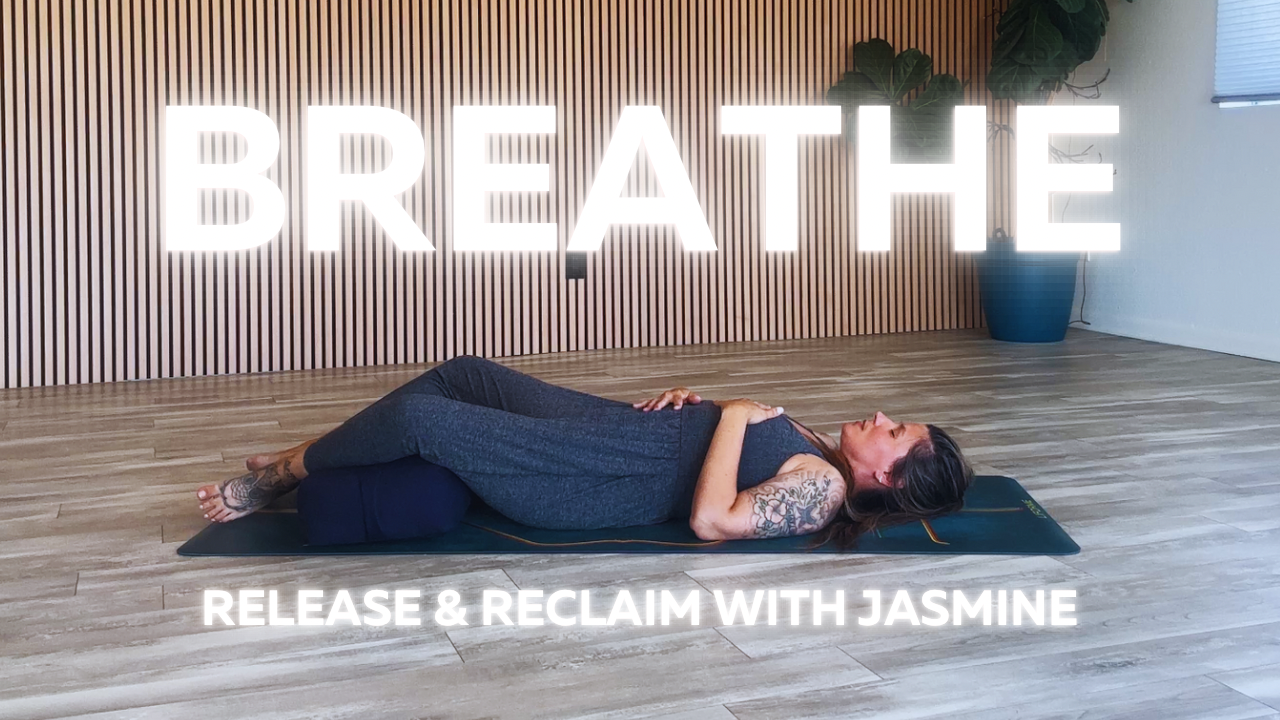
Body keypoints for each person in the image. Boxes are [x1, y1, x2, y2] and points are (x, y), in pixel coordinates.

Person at [195, 355, 973, 549]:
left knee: (427, 420)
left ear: (885, 474)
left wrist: (733, 414)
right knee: (465, 374)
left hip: (593, 474)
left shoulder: (824, 493)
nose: (881, 417)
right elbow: (721, 442)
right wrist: (700, 405)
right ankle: (310, 454)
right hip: (616, 429)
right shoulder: (816, 450)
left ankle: (281, 476)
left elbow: (713, 520)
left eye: (895, 430)